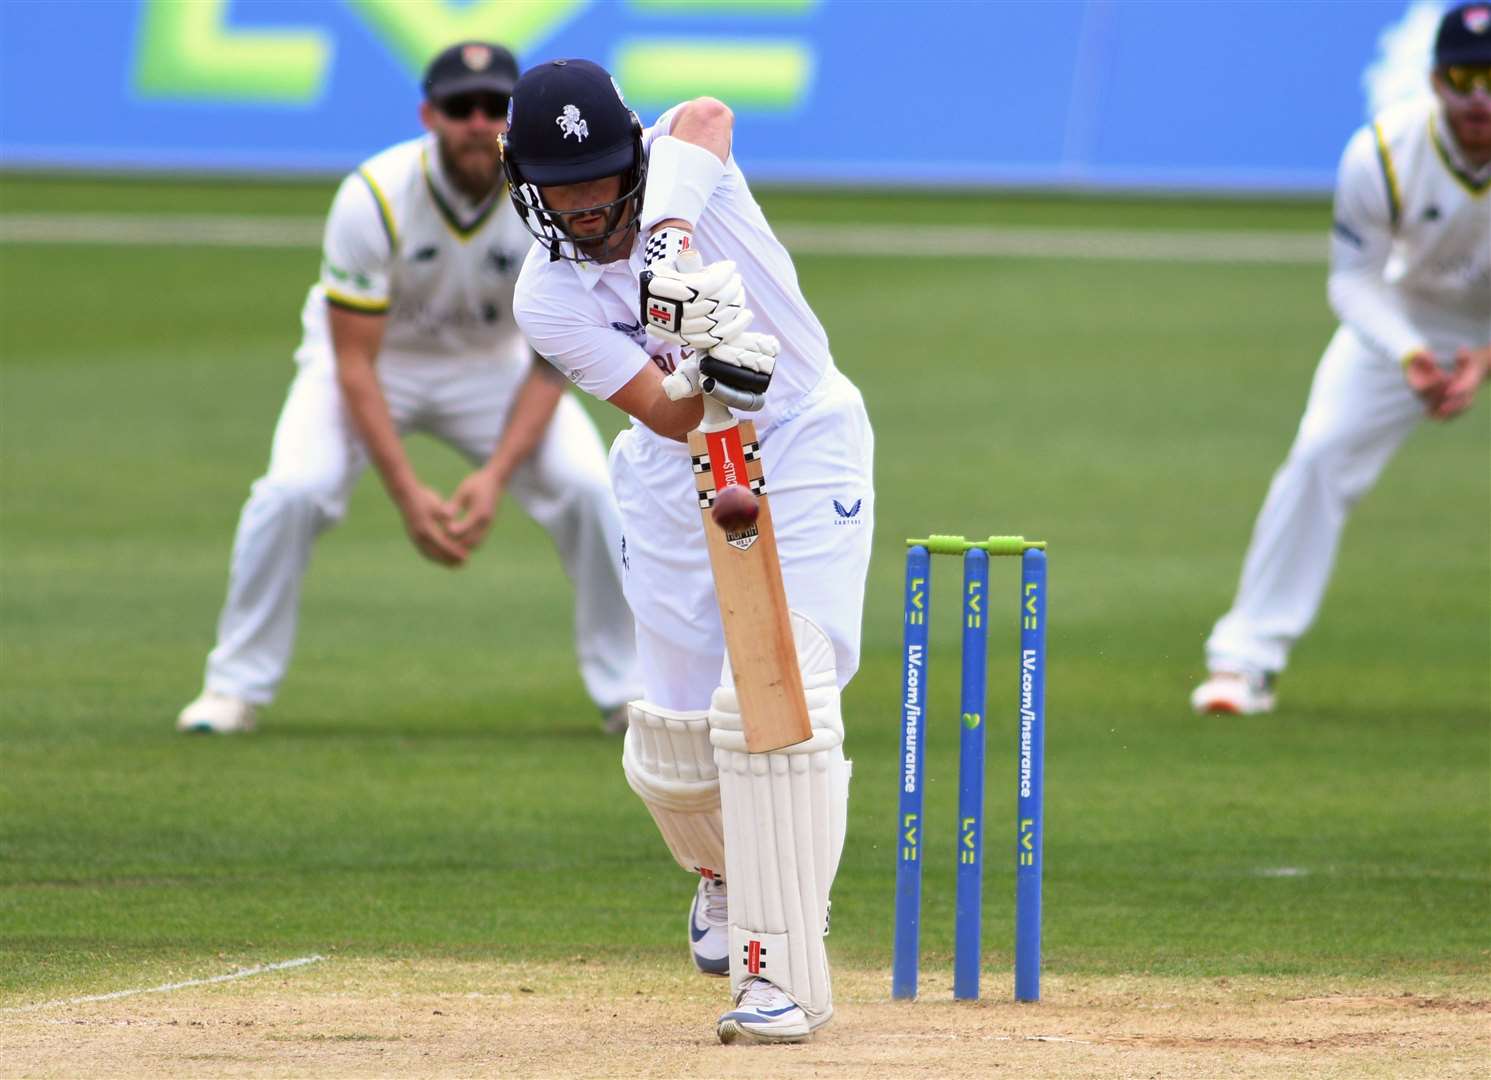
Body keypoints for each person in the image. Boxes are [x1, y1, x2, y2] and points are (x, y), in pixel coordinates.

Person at [502, 60, 874, 1043]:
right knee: (673, 744)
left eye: (598, 178)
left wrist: (668, 246)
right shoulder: (547, 300)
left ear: (631, 156)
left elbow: (709, 113)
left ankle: (778, 967)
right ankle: (719, 871)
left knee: (790, 688)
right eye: (560, 187)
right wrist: (710, 368)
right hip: (675, 465)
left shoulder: (680, 168)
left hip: (801, 431)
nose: (584, 204)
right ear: (527, 185)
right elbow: (667, 415)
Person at [177, 42, 640, 735]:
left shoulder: (545, 193)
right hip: (375, 364)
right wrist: (406, 493)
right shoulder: (373, 196)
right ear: (430, 114)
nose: (477, 121)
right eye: (460, 107)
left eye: (492, 107)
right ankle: (232, 688)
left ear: (511, 121)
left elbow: (555, 359)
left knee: (589, 489)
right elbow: (353, 363)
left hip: (495, 365)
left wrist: (493, 477)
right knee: (293, 491)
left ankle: (626, 691)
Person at [1192, 3, 1491, 716]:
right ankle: (1243, 661)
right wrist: (1412, 354)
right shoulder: (1382, 151)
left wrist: (1480, 357)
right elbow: (1351, 280)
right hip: (1406, 315)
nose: (1480, 97)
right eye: (1463, 76)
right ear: (1434, 80)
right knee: (1319, 453)